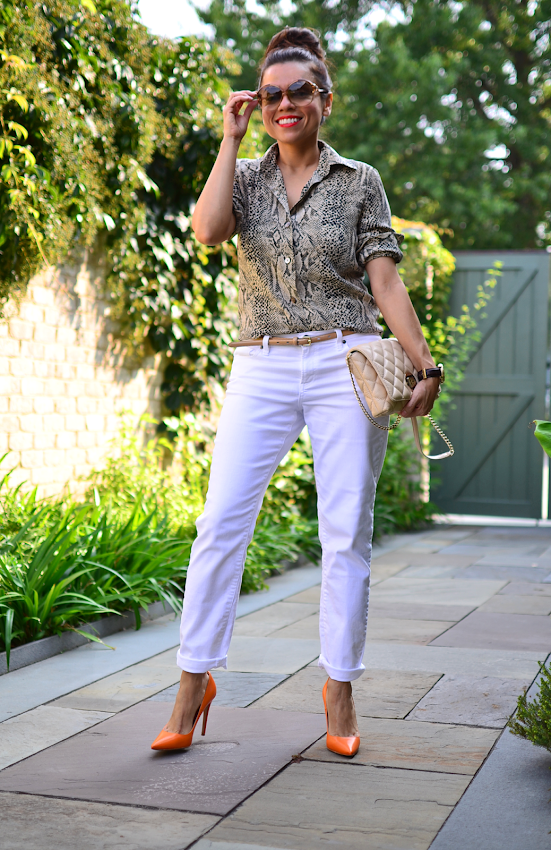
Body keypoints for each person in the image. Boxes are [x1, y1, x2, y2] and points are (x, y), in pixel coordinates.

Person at [151, 26, 441, 758]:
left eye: (298, 92)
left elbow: (383, 280)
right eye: (271, 93)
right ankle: (193, 680)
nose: (285, 104)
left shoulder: (358, 181)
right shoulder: (245, 179)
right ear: (260, 101)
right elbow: (208, 230)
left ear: (324, 100)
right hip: (262, 363)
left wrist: (425, 364)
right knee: (220, 523)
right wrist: (228, 138)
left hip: (345, 361)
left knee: (344, 533)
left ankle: (337, 688)